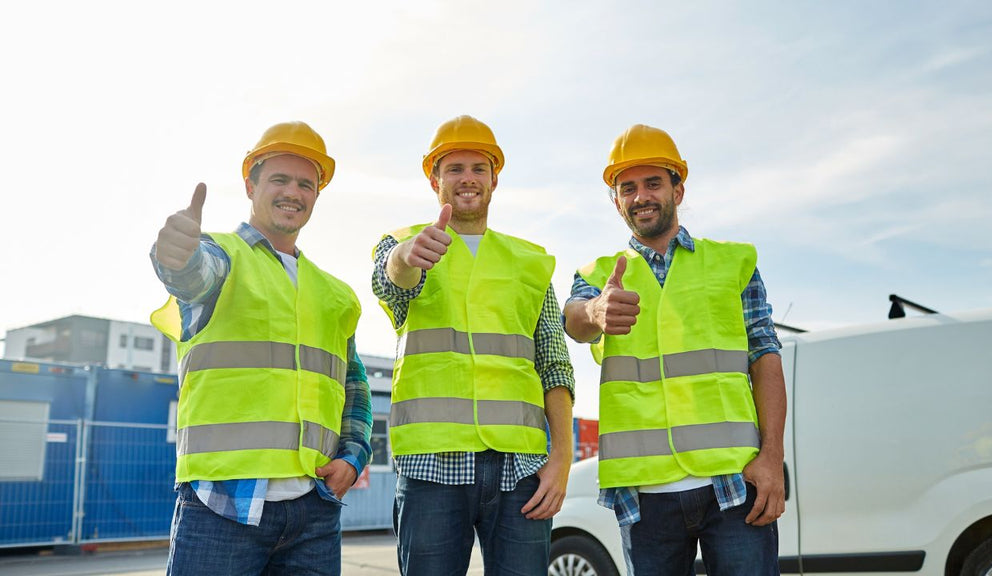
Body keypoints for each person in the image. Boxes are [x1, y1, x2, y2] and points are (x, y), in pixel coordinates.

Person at [562, 124, 786, 575]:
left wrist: (771, 458)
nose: (641, 196)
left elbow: (766, 356)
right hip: (646, 496)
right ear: (615, 200)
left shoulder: (733, 263)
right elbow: (574, 320)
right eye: (628, 188)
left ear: (678, 189)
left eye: (653, 183)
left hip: (734, 483)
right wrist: (596, 311)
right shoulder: (598, 273)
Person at [150, 121, 372, 576]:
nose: (293, 192)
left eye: (305, 183)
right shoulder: (220, 255)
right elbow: (191, 273)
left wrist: (353, 456)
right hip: (221, 507)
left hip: (313, 511)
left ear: (316, 195)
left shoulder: (335, 294)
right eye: (279, 179)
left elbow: (354, 388)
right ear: (250, 185)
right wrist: (175, 254)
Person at [371, 115, 575, 575]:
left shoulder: (530, 262)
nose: (467, 178)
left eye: (478, 168)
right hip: (431, 469)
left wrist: (561, 458)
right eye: (454, 168)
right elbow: (391, 283)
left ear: (494, 178)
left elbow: (554, 362)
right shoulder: (403, 244)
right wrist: (406, 259)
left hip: (520, 470)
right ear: (434, 179)